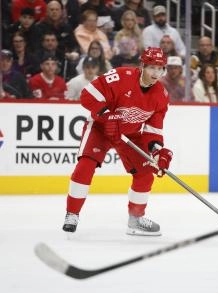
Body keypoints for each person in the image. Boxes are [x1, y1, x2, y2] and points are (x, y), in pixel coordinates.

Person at [62, 47, 173, 236]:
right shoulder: (121, 76)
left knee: (146, 174)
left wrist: (157, 152)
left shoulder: (161, 96)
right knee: (86, 165)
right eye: (152, 68)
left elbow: (152, 131)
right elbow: (87, 95)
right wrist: (107, 117)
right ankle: (72, 214)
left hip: (129, 134)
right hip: (100, 128)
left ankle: (135, 218)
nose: (156, 73)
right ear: (142, 66)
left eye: (160, 68)